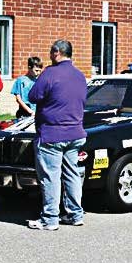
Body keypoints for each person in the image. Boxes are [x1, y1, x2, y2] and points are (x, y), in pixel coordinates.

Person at [27, 40, 89, 230]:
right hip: (76, 132)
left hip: (52, 133)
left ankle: (50, 218)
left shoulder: (50, 73)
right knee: (72, 173)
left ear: (56, 53)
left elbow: (33, 96)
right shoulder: (80, 76)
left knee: (50, 176)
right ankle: (75, 214)